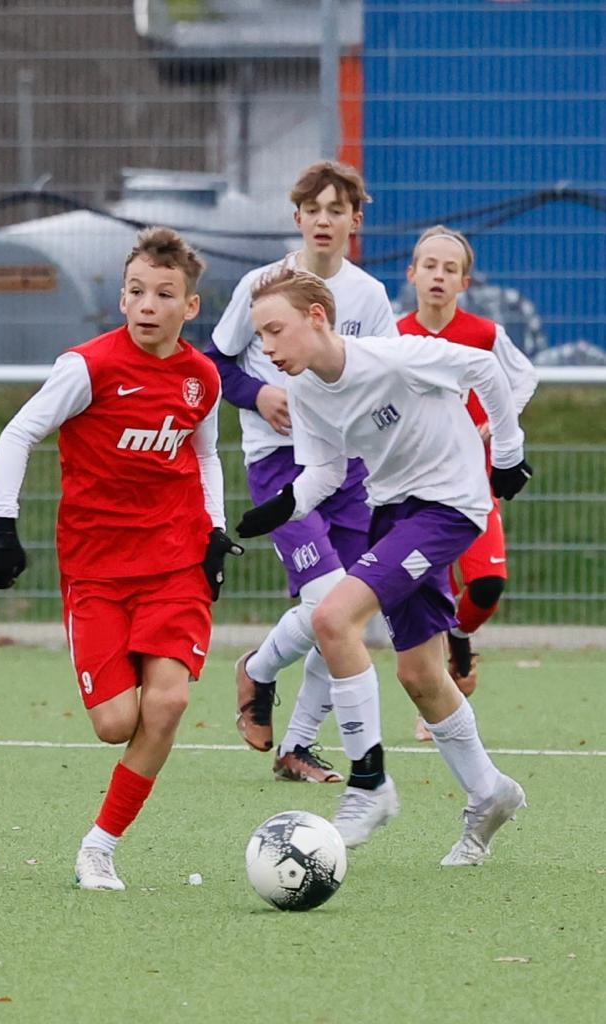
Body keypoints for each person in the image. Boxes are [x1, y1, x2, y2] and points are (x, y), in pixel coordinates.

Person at [0, 226, 243, 891]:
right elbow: (18, 433)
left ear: (190, 306)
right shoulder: (87, 368)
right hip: (95, 569)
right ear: (121, 299)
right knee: (115, 723)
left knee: (168, 702)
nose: (149, 304)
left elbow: (206, 455)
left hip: (175, 562)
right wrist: (2, 525)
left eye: (164, 294)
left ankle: (100, 847)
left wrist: (214, 530)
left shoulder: (201, 378)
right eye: (137, 291)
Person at [237, 266, 532, 865]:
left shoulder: (394, 357)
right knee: (419, 675)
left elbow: (484, 368)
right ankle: (490, 791)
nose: (265, 347)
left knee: (333, 618)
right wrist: (278, 509)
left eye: (274, 330)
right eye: (259, 335)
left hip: (449, 507)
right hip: (392, 513)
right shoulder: (304, 390)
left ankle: (369, 783)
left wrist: (507, 454)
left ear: (316, 317)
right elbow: (324, 472)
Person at [207, 159, 396, 783]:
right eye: (312, 209)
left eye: (336, 210)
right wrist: (258, 394)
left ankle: (297, 745)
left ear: (355, 220)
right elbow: (216, 364)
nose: (323, 220)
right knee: (327, 601)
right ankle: (258, 670)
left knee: (343, 612)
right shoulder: (261, 284)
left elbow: (385, 373)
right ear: (296, 217)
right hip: (279, 464)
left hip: (350, 468)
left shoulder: (369, 296)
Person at [398, 225, 539, 740]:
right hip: (415, 490)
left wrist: (498, 422)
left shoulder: (483, 334)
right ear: (412, 274)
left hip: (474, 486)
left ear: (464, 282)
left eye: (450, 268)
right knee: (428, 594)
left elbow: (524, 378)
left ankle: (459, 638)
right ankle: (436, 705)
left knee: (486, 587)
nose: (438, 276)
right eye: (429, 266)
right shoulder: (393, 336)